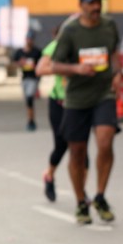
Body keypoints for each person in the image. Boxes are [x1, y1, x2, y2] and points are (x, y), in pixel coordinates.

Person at [50, 0, 122, 225]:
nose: (96, 7)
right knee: (77, 152)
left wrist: (118, 72)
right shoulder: (70, 31)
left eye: (99, 2)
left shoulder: (109, 25)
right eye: (91, 3)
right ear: (81, 5)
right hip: (77, 98)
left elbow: (114, 52)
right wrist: (77, 69)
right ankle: (81, 201)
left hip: (104, 94)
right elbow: (55, 65)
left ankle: (100, 196)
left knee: (105, 140)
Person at [35, 20, 86, 204]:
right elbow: (40, 69)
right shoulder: (55, 46)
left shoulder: (85, 45)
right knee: (62, 145)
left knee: (81, 148)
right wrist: (68, 69)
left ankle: (82, 194)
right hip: (59, 102)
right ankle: (49, 174)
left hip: (80, 102)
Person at [14, 32, 42, 131]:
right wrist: (20, 63)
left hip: (33, 78)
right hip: (24, 78)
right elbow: (13, 64)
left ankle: (31, 121)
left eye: (31, 39)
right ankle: (31, 119)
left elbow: (41, 66)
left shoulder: (37, 52)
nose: (29, 41)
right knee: (27, 100)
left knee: (30, 97)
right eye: (27, 39)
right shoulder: (20, 52)